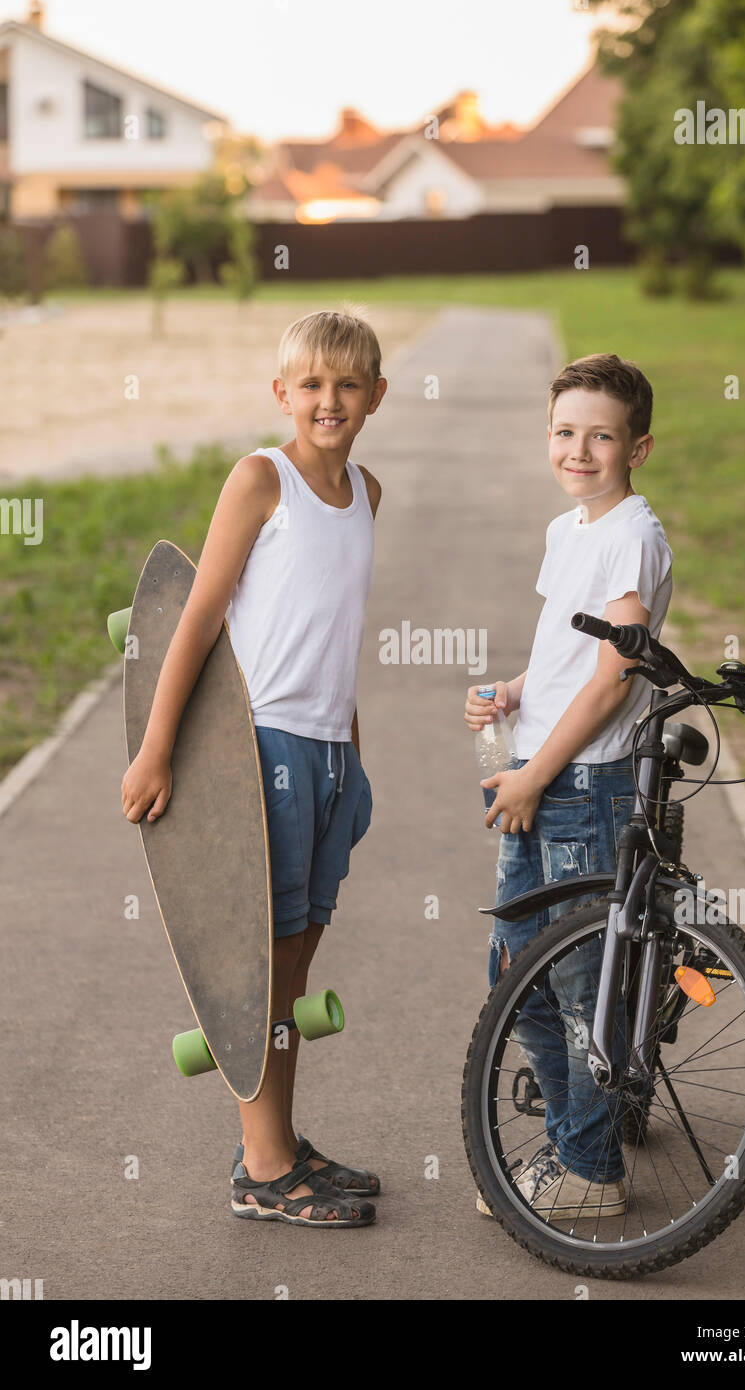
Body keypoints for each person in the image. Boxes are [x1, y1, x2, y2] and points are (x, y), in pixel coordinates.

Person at [121, 306, 385, 1228]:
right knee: (257, 970)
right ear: (282, 394)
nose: (329, 401)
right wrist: (157, 747)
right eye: (310, 385)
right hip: (261, 749)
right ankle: (265, 1168)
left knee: (293, 966)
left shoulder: (369, 492)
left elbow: (336, 635)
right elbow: (198, 618)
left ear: (376, 398)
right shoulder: (260, 479)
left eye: (347, 385)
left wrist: (353, 761)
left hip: (327, 756)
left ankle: (272, 1143)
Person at [464, 352, 673, 1219]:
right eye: (563, 432)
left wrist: (531, 777)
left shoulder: (631, 534)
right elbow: (572, 656)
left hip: (576, 789)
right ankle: (593, 1121)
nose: (577, 450)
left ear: (638, 448)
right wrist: (517, 691)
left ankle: (587, 1169)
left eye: (600, 436)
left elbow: (615, 678)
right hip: (552, 777)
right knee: (533, 970)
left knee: (554, 978)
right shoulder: (574, 529)